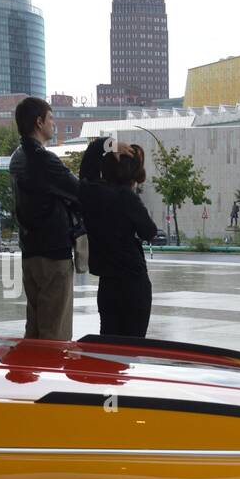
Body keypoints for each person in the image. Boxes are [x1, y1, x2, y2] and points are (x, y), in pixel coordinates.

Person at [10, 96, 81, 340]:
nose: (54, 124)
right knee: (55, 331)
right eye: (51, 118)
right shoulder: (44, 159)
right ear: (39, 122)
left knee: (36, 326)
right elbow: (79, 192)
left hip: (30, 251)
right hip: (53, 255)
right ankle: (49, 377)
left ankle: (34, 372)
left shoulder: (17, 156)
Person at [78, 134, 158, 337]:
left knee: (108, 341)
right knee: (133, 345)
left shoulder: (91, 193)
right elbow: (149, 232)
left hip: (107, 284)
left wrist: (110, 144)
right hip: (134, 283)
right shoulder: (127, 199)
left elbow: (89, 160)